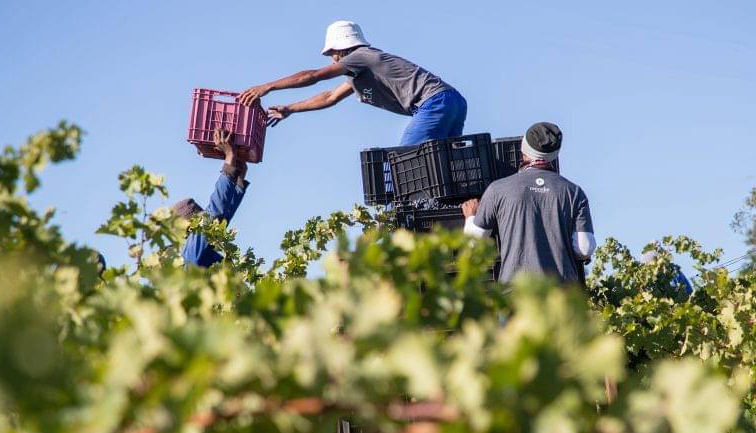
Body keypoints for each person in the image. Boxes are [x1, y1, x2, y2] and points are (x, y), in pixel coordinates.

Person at [237, 20, 467, 146]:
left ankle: (391, 221)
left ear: (341, 49)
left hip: (434, 102)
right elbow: (330, 97)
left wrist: (268, 86)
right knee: (442, 159)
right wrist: (290, 109)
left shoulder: (360, 57)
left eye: (332, 54)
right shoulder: (360, 70)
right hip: (452, 101)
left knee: (404, 160)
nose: (333, 59)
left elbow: (314, 75)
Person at [461, 122, 596, 283]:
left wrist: (471, 217)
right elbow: (584, 248)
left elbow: (473, 245)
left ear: (523, 149)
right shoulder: (574, 192)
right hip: (561, 296)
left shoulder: (498, 189)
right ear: (555, 154)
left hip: (517, 294)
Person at [172, 129, 249, 267]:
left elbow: (223, 214)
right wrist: (230, 156)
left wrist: (237, 170)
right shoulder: (189, 254)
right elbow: (215, 213)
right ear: (189, 229)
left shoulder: (199, 252)